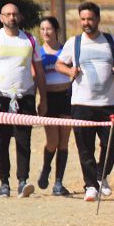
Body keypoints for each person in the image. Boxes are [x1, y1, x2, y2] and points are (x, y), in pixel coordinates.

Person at [56, 2, 114, 202]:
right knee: (85, 147)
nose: (86, 23)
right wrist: (69, 71)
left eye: (90, 19)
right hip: (81, 104)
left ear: (98, 19)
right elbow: (59, 64)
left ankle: (101, 175)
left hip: (107, 104)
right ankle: (90, 186)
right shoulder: (74, 42)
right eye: (83, 19)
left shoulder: (111, 41)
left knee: (112, 141)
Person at [0, 3, 48, 198]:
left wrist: (43, 98)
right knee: (2, 141)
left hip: (25, 97)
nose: (11, 18)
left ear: (20, 17)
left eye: (15, 14)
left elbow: (39, 71)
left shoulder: (30, 40)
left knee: (24, 141)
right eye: (7, 14)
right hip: (0, 98)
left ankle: (23, 181)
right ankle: (4, 182)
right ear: (1, 18)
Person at [36, 16, 74, 196]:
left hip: (66, 96)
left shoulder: (66, 49)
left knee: (64, 141)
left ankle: (59, 182)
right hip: (48, 97)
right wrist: (41, 100)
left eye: (49, 29)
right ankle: (46, 168)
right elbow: (35, 76)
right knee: (52, 141)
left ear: (56, 30)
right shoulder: (38, 51)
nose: (45, 32)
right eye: (42, 29)